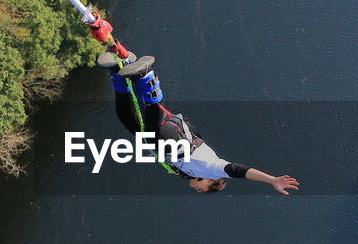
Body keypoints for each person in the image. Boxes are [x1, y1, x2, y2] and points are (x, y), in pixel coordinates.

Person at [100, 52, 300, 194]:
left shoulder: (189, 173)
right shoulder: (213, 169)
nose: (197, 190)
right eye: (202, 190)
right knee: (152, 125)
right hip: (173, 139)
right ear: (211, 182)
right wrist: (271, 180)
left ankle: (117, 74)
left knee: (128, 121)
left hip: (172, 139)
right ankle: (146, 75)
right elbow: (241, 171)